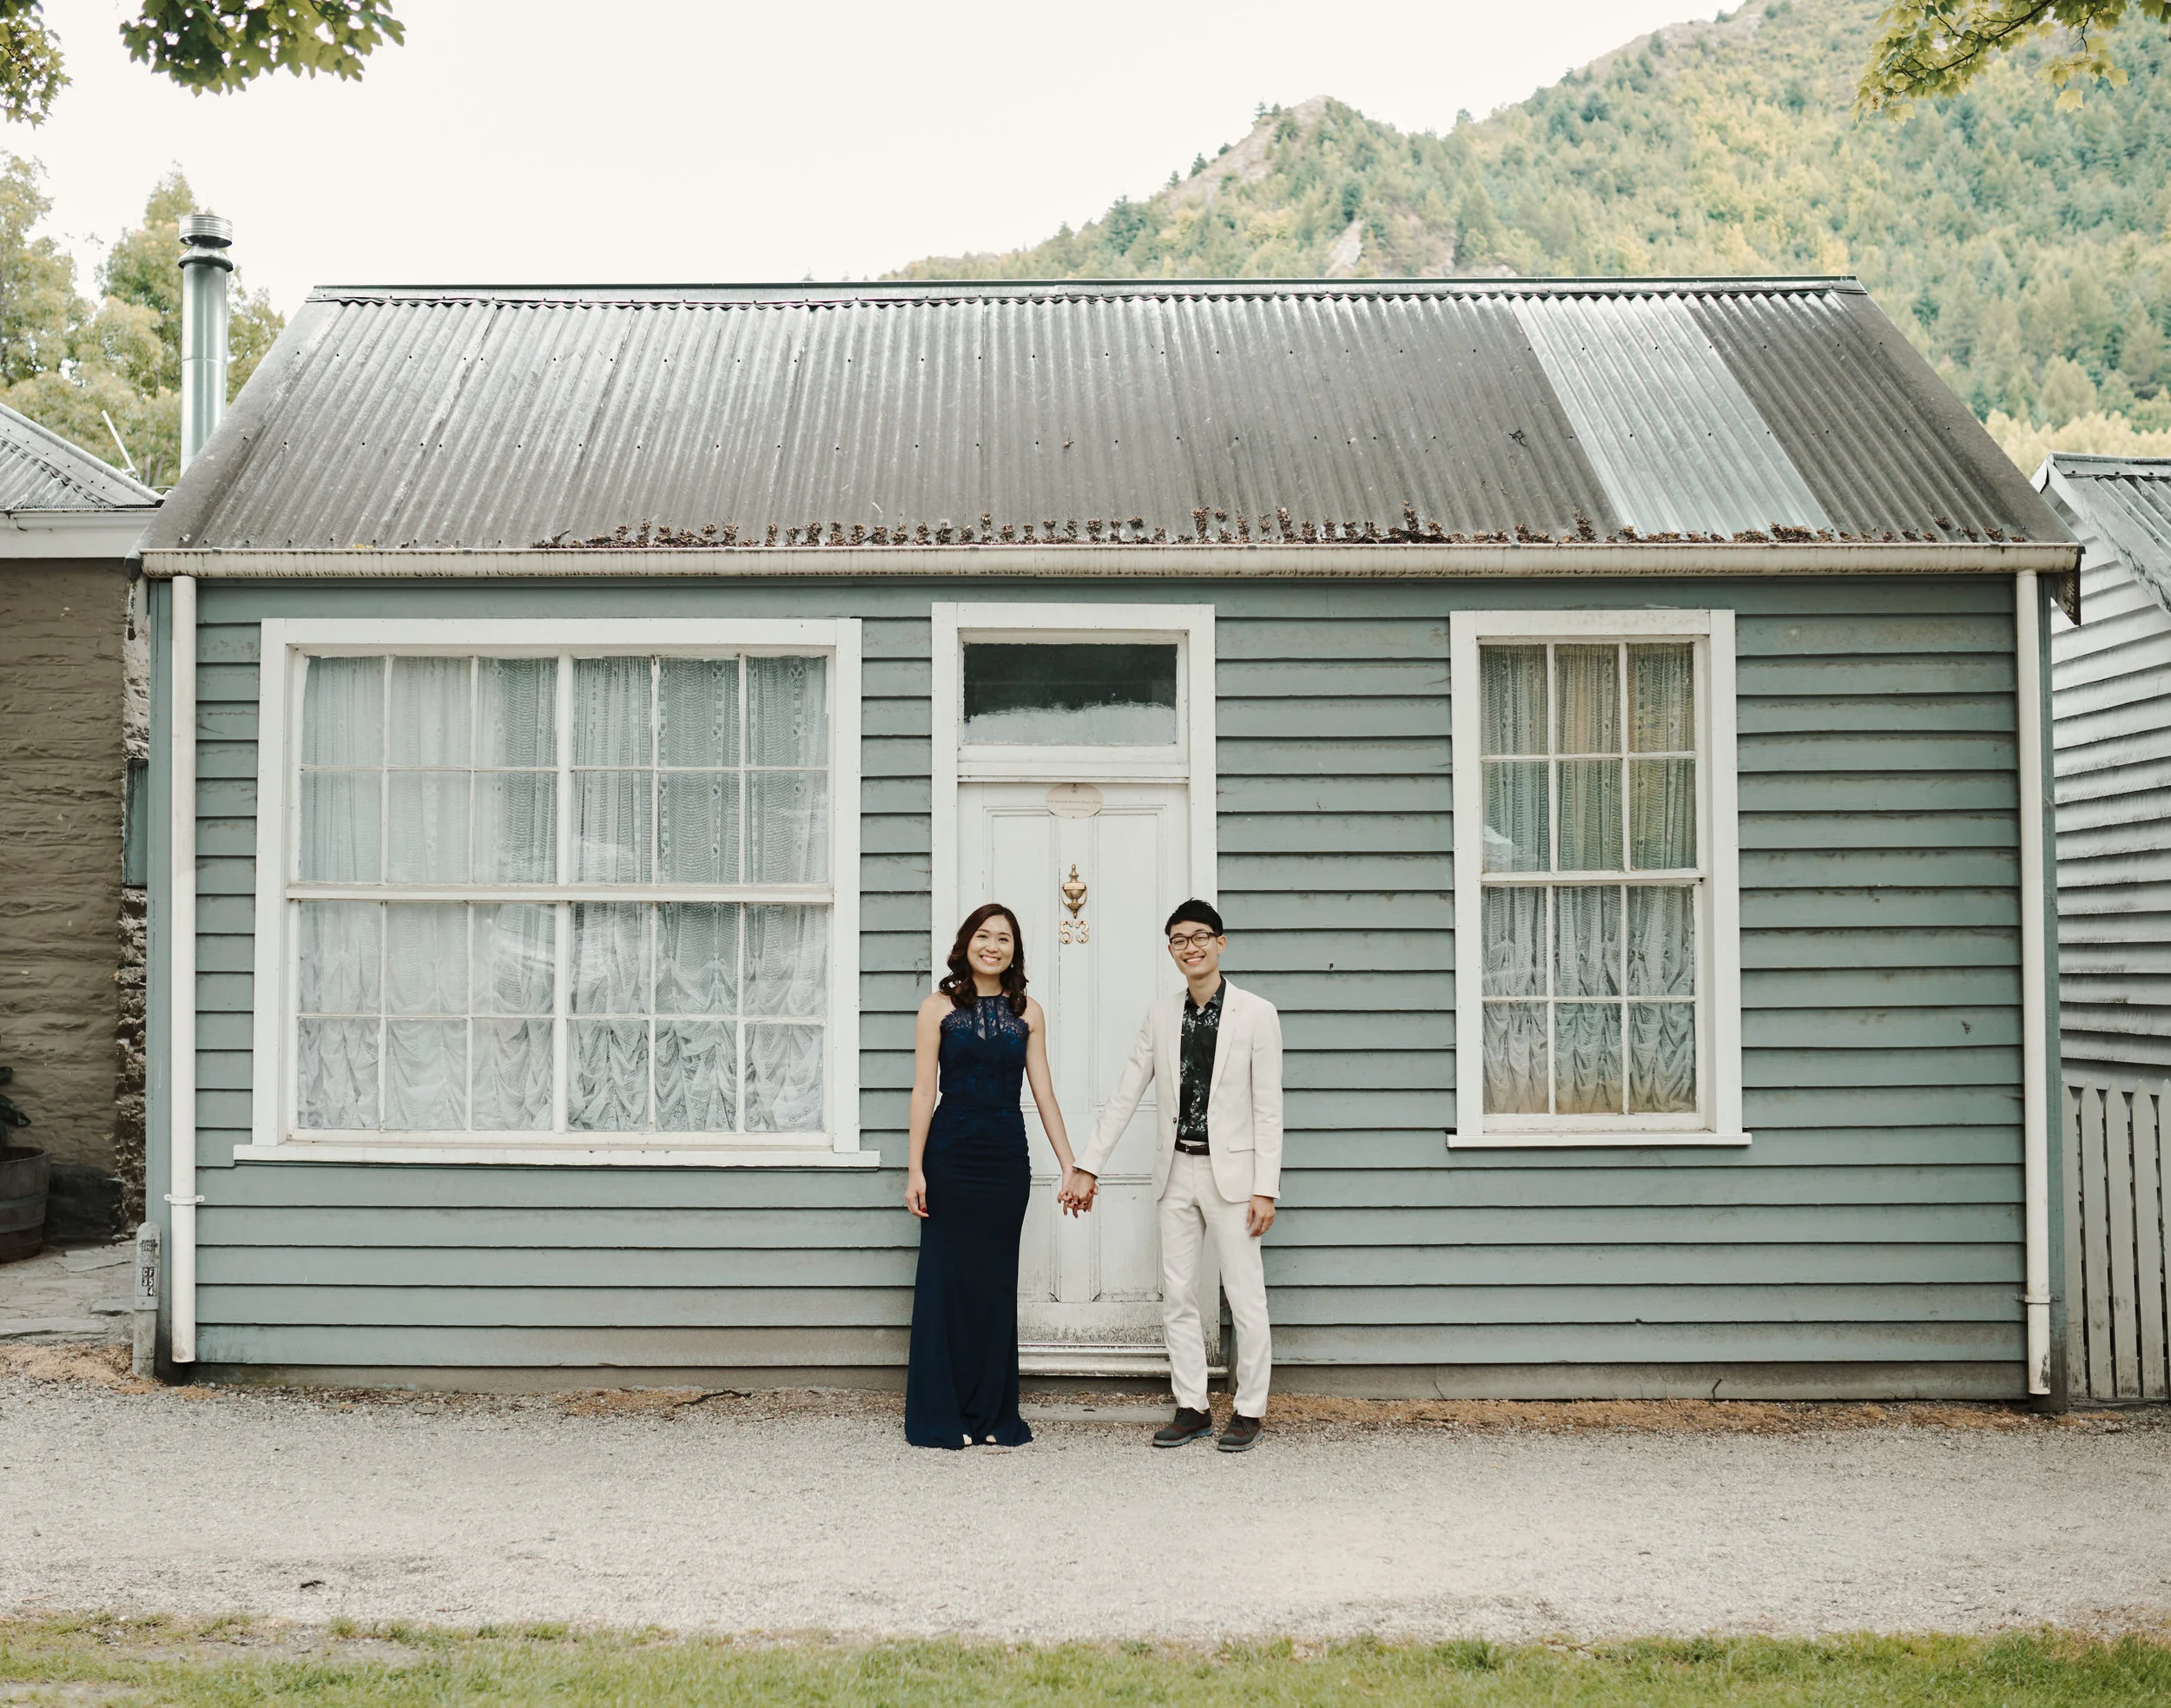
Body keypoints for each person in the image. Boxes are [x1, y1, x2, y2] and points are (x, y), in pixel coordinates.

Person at [1069, 900, 1282, 1453]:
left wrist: (1266, 1187)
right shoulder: (1161, 1016)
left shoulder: (1257, 1013)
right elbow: (1125, 1094)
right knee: (1179, 1294)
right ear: (1171, 950)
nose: (1191, 947)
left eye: (1200, 936)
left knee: (1245, 1295)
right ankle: (1192, 1406)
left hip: (1233, 1176)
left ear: (1220, 943)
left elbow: (1268, 1109)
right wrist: (1088, 1165)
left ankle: (1249, 1410)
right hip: (1175, 1170)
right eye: (1179, 940)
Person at [903, 902, 1089, 1449]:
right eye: (983, 936)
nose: (993, 946)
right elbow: (923, 1091)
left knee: (993, 1282)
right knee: (945, 1282)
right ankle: (942, 1415)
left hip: (1005, 1158)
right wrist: (914, 1169)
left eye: (1004, 938)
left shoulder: (1028, 1012)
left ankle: (990, 1414)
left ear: (1015, 951)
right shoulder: (936, 1008)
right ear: (967, 944)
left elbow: (1044, 1092)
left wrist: (1071, 1164)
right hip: (949, 1155)